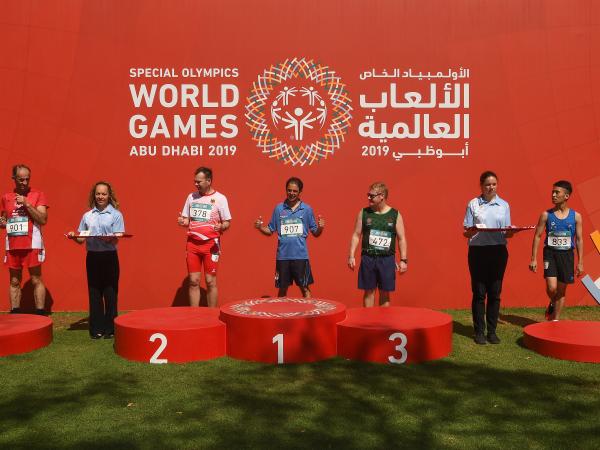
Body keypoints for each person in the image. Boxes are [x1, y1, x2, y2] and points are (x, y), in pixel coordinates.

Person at [463, 171, 515, 345]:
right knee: (479, 293)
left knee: (495, 292)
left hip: (498, 251)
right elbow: (465, 232)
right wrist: (474, 230)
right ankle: (479, 332)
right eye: (487, 184)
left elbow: (507, 232)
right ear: (481, 185)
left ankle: (492, 332)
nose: (491, 187)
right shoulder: (473, 204)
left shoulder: (504, 205)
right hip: (478, 252)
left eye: (494, 184)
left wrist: (511, 232)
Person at [68, 181, 125, 339]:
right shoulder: (87, 216)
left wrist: (106, 238)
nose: (101, 196)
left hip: (109, 257)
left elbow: (117, 238)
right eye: (98, 193)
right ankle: (96, 330)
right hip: (92, 256)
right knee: (94, 293)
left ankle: (111, 329)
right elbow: (81, 239)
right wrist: (74, 236)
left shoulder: (116, 215)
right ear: (94, 195)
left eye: (104, 194)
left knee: (110, 292)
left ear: (109, 196)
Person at [254, 177, 324, 298]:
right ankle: (281, 315)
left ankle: (309, 314)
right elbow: (270, 230)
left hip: (301, 256)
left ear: (300, 192)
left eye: (294, 191)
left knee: (305, 288)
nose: (291, 193)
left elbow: (315, 233)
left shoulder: (307, 209)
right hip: (283, 257)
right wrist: (260, 227)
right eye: (289, 190)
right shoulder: (278, 208)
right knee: (282, 289)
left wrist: (320, 228)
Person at [529, 180, 583, 321]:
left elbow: (579, 239)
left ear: (566, 196)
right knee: (552, 288)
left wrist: (581, 262)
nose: (553, 195)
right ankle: (553, 302)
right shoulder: (546, 215)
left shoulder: (576, 216)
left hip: (567, 255)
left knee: (562, 290)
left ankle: (555, 320)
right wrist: (533, 258)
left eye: (556, 192)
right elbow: (537, 236)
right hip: (550, 254)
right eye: (552, 192)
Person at [178, 167, 231, 307]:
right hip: (193, 244)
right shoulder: (191, 197)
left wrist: (222, 226)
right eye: (195, 181)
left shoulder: (220, 198)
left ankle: (212, 316)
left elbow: (227, 222)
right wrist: (183, 222)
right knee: (194, 281)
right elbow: (187, 220)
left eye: (199, 181)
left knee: (210, 281)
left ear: (208, 181)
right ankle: (194, 317)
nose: (196, 184)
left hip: (211, 245)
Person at [348, 182, 407, 307]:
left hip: (387, 259)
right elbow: (356, 235)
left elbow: (401, 239)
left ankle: (383, 324)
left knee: (385, 293)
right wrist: (351, 255)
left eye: (371, 195)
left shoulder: (395, 215)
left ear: (382, 196)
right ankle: (368, 323)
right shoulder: (364, 213)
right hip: (368, 258)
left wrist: (403, 260)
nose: (368, 198)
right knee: (369, 292)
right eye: (368, 195)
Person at [0, 164, 48, 315]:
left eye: (27, 179)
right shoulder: (6, 197)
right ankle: (15, 313)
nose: (24, 183)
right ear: (14, 179)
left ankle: (40, 313)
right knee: (14, 281)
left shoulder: (38, 195)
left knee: (36, 279)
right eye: (21, 179)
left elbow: (42, 219)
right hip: (13, 245)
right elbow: (4, 219)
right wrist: (2, 223)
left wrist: (26, 203)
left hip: (32, 243)